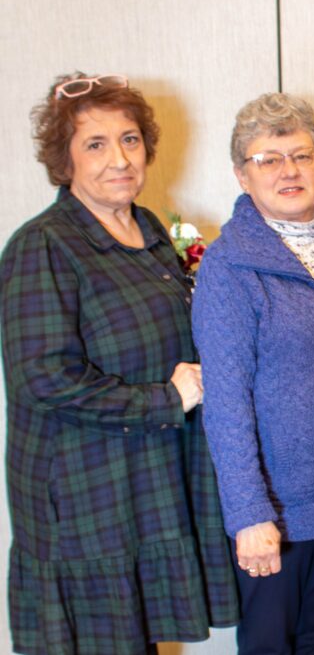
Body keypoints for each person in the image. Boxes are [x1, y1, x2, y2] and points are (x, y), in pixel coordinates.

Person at [0, 73, 239, 655]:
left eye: (130, 140)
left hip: (150, 480)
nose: (119, 159)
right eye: (96, 144)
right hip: (85, 496)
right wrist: (167, 399)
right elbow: (44, 379)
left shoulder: (152, 229)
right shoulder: (44, 246)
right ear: (65, 160)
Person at [192, 93, 314, 654]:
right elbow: (225, 402)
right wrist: (249, 514)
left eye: (300, 155)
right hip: (279, 507)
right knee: (269, 645)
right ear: (242, 175)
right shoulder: (230, 266)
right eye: (268, 159)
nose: (288, 171)